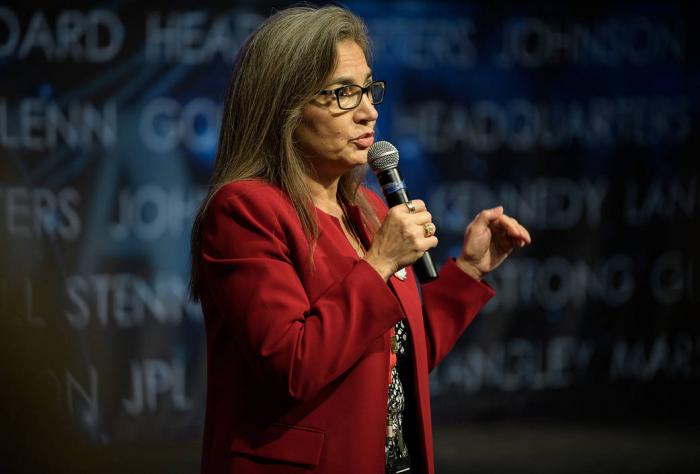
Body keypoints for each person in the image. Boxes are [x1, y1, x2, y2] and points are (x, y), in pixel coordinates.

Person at [189, 5, 531, 474]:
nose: (369, 110)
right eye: (343, 94)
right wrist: (379, 263)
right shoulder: (245, 210)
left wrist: (468, 270)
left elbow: (394, 355)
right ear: (284, 108)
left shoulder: (369, 210)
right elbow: (294, 365)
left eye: (368, 88)